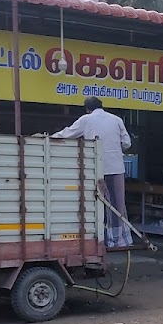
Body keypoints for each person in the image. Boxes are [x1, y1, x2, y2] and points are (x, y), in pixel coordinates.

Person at [52, 98, 133, 249]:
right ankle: (118, 240)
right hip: (116, 168)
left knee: (95, 205)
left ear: (88, 109)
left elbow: (68, 133)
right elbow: (127, 143)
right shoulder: (116, 120)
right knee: (117, 204)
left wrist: (50, 137)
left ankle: (98, 239)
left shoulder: (86, 120)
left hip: (96, 168)